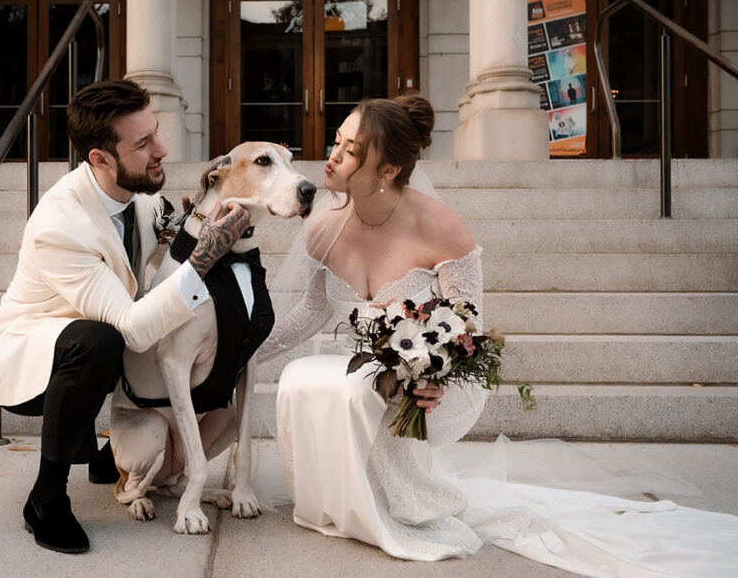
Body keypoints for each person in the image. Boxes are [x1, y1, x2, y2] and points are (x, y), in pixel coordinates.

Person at [257, 94, 738, 574]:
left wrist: (436, 376)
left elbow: (466, 324)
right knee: (309, 378)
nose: (333, 156)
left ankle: (405, 503)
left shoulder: (439, 226)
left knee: (364, 387)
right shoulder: (324, 226)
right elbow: (311, 310)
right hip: (372, 370)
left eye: (352, 150)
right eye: (337, 141)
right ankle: (340, 499)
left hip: (440, 383)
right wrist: (246, 352)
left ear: (388, 170)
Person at [0, 79, 250, 553]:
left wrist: (192, 225)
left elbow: (153, 261)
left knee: (130, 327)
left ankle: (110, 460)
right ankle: (46, 497)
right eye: (143, 144)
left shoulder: (138, 196)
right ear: (100, 159)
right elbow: (135, 330)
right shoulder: (60, 225)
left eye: (156, 132)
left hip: (102, 335)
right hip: (32, 357)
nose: (161, 149)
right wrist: (203, 257)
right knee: (100, 339)